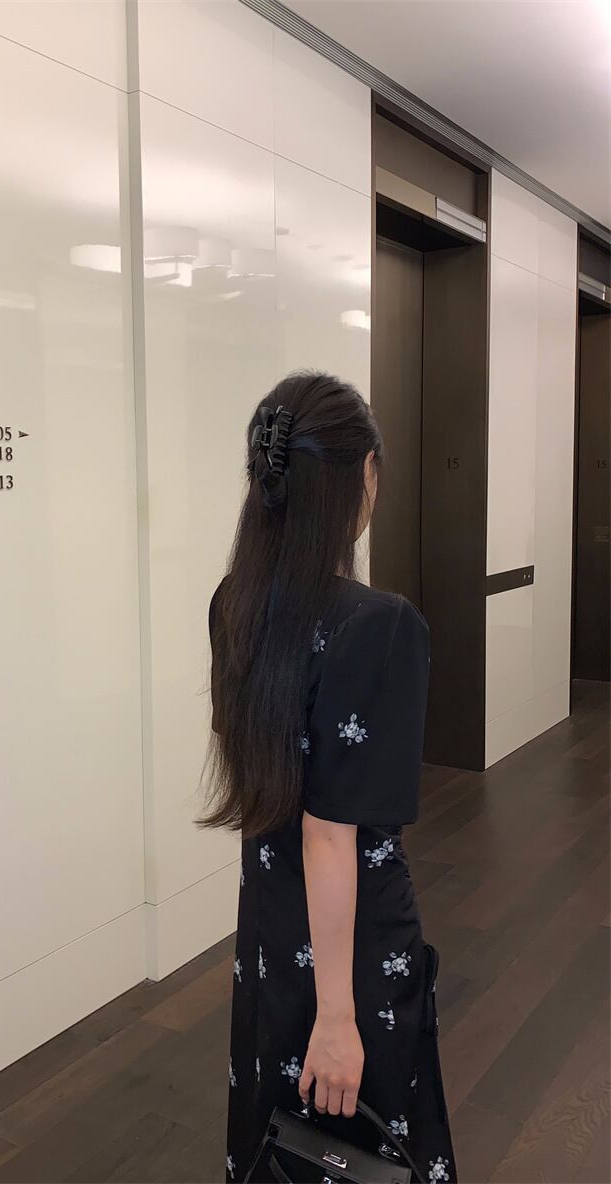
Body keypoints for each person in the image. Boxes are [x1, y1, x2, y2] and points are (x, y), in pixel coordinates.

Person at [201, 372, 456, 1184]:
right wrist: (340, 1016)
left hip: (270, 930)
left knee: (275, 1140)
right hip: (356, 943)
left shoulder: (232, 604)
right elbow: (330, 832)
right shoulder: (379, 626)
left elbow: (264, 782)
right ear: (362, 477)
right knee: (370, 1148)